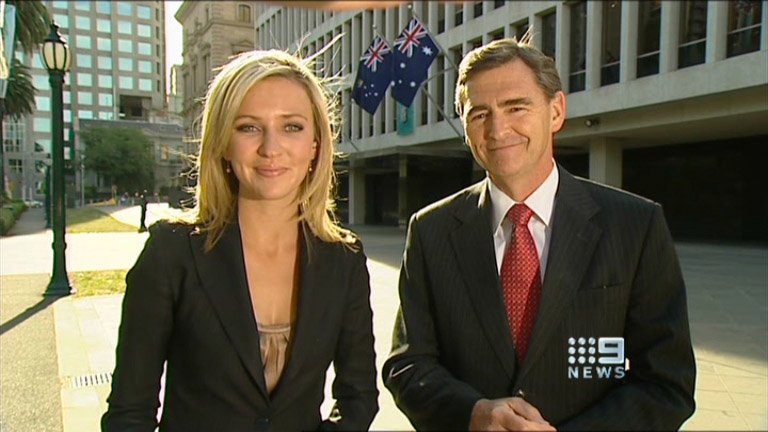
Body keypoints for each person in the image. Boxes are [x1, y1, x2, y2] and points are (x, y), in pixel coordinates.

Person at [382, 33, 696, 430]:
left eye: (516, 107)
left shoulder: (636, 225)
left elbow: (667, 383)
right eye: (479, 114)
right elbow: (408, 364)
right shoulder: (431, 231)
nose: (498, 130)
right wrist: (471, 413)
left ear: (556, 111)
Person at [102, 49, 379, 431]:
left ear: (316, 144)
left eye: (292, 127)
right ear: (223, 143)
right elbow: (129, 412)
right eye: (248, 127)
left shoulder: (343, 259)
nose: (271, 148)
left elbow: (359, 398)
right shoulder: (172, 251)